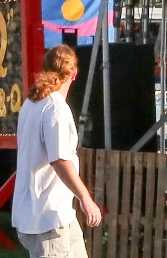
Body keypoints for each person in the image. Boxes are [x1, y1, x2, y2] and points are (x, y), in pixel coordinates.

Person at [13, 44, 103, 258]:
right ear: (74, 74)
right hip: (47, 219)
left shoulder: (31, 104)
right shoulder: (55, 108)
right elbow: (60, 160)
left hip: (55, 215)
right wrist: (86, 199)